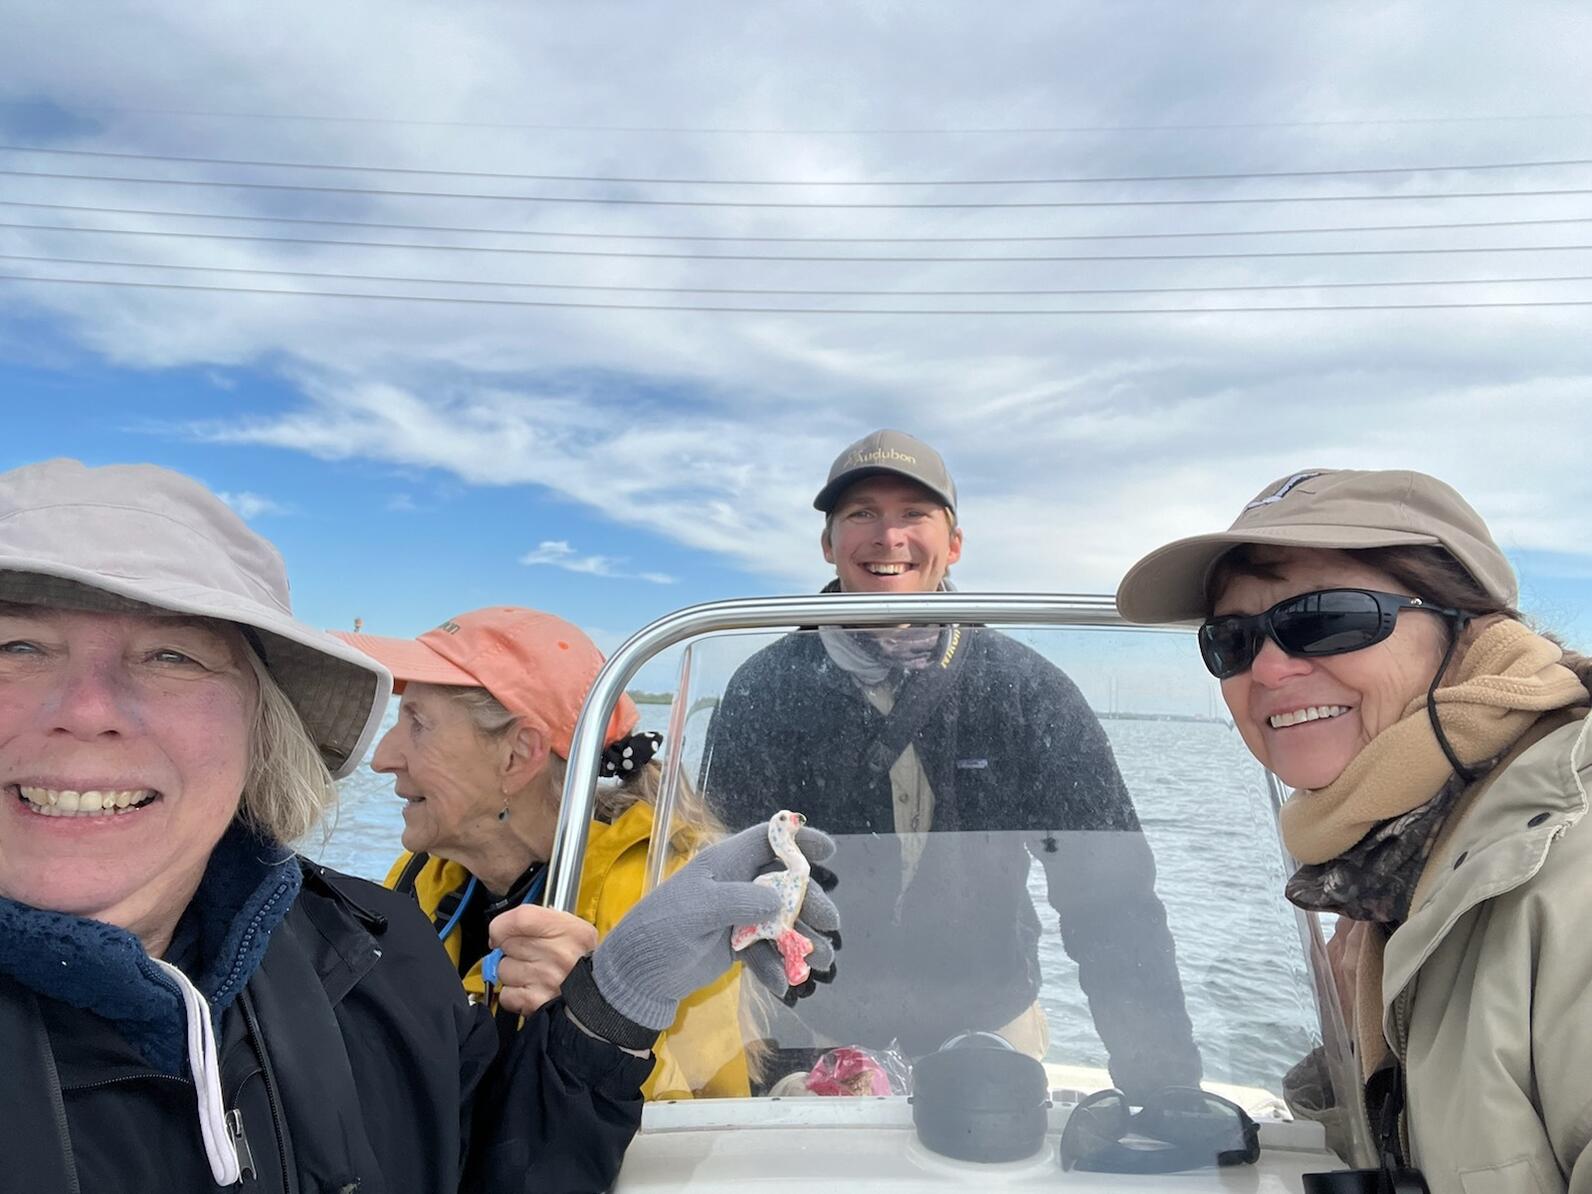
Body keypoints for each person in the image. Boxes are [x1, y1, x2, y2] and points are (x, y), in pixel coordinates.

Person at [0, 458, 838, 1192]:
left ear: (519, 754)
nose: (384, 757)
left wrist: (606, 1011)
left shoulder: (372, 944)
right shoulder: (411, 904)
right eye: (17, 648)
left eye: (170, 656)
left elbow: (509, 1150)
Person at [1115, 467, 1592, 1192]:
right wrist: (1348, 1054)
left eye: (1327, 618)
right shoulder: (1407, 861)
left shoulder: (1568, 856)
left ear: (1470, 626)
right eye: (1233, 640)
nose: (1270, 670)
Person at [699, 429, 1201, 1098]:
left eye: (913, 514)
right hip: (809, 1024)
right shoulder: (764, 690)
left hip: (990, 1021)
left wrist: (1164, 1089)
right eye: (862, 514)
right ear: (829, 544)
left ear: (953, 544)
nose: (889, 536)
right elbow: (715, 888)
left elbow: (1111, 902)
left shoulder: (1027, 690)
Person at [338, 608, 803, 1098]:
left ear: (517, 755)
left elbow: (703, 1119)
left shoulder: (656, 891)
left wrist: (599, 1021)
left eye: (417, 724)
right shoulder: (419, 878)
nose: (382, 758)